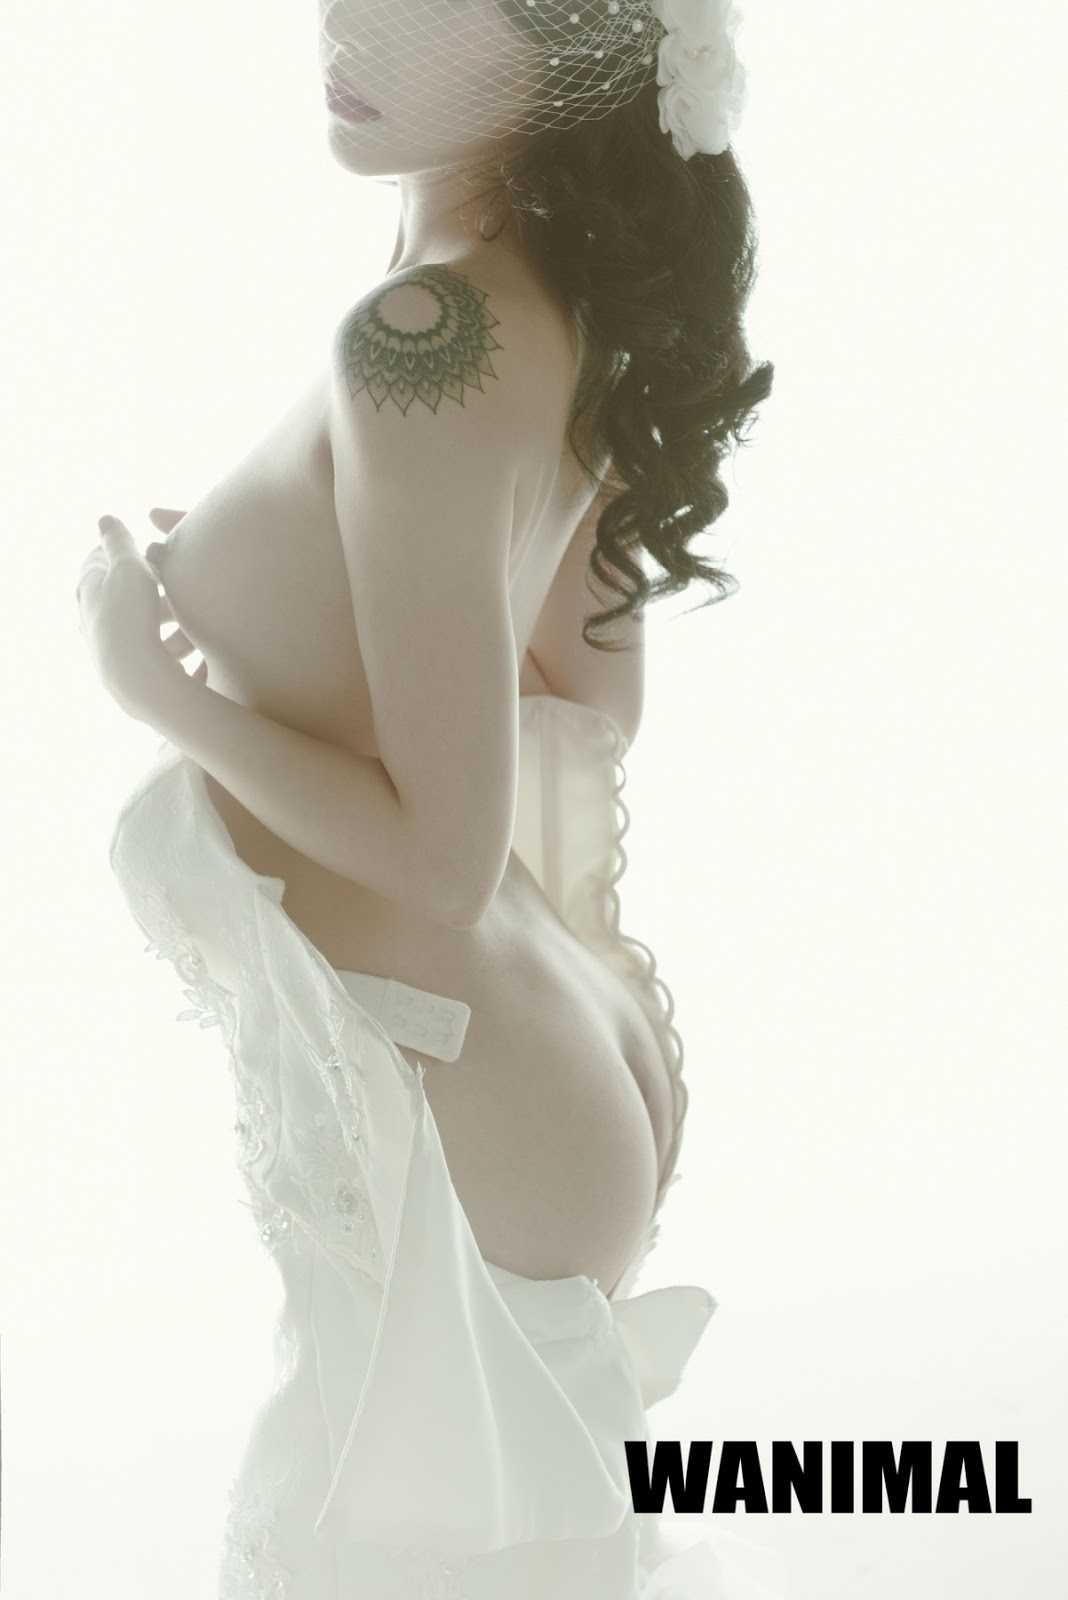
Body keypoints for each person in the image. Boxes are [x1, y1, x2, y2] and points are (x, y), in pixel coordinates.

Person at [79, 2, 776, 1593]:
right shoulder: (549, 295)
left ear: (575, 53)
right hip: (532, 1073)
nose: (346, 25)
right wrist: (324, 606)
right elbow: (586, 703)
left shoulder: (420, 340)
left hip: (469, 1123)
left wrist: (159, 688)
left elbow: (444, 858)